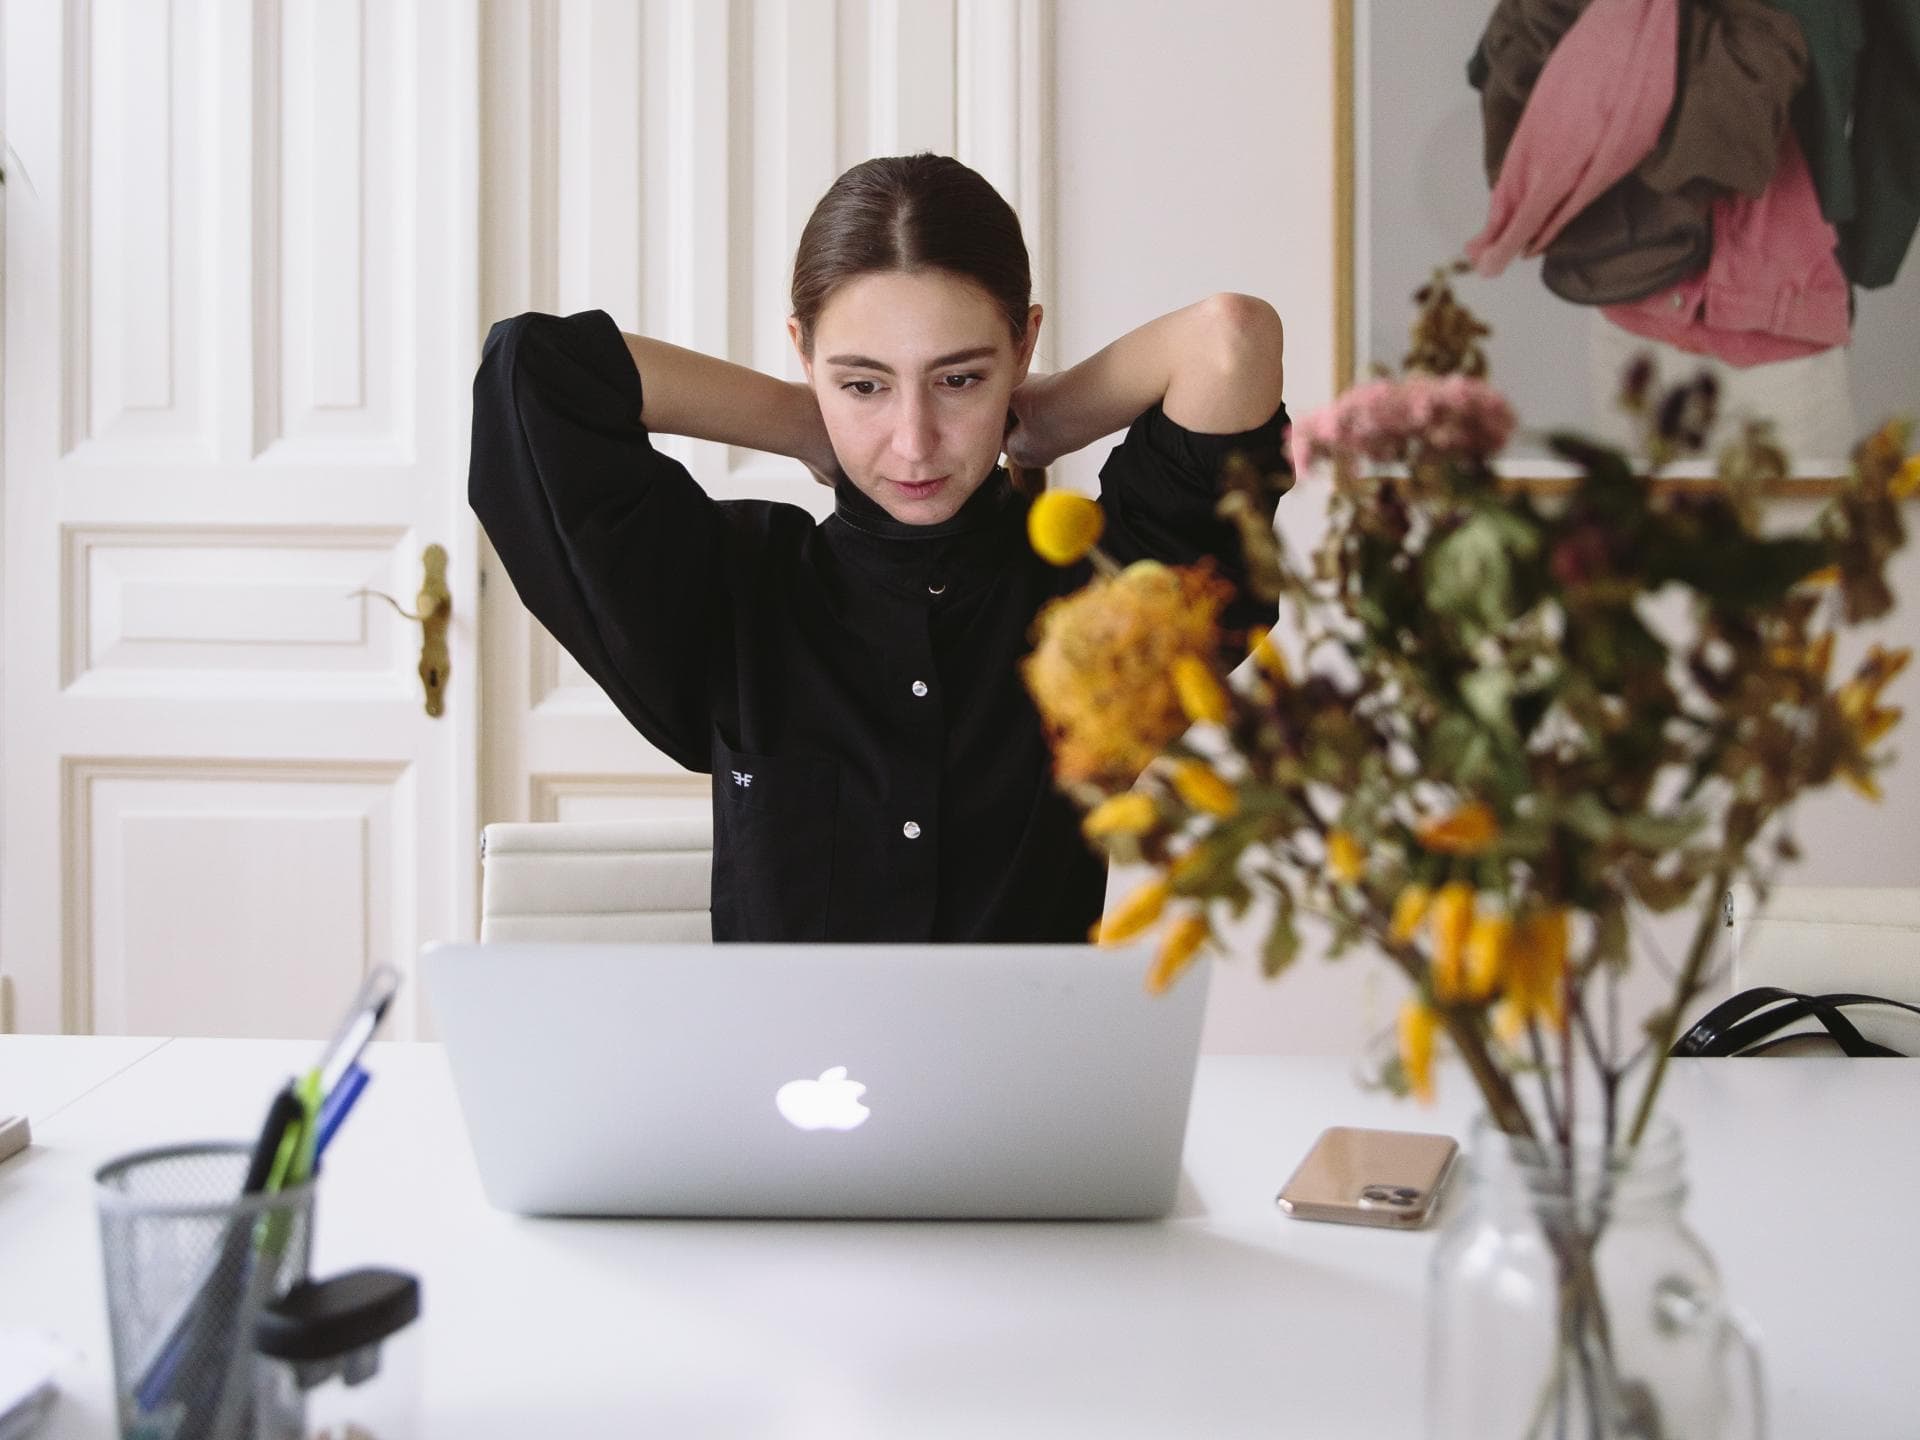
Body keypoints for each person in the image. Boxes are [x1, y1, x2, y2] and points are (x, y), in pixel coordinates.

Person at [468, 153, 1291, 943]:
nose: (914, 442)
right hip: (777, 1090)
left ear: (1023, 346)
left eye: (960, 378)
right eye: (864, 383)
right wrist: (801, 420)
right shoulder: (736, 591)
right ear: (804, 353)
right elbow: (530, 372)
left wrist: (1048, 417)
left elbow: (1230, 339)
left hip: (1030, 1091)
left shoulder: (1102, 609)